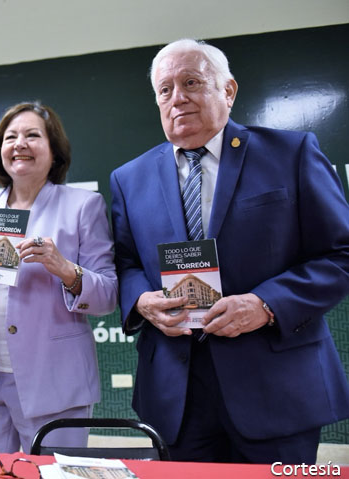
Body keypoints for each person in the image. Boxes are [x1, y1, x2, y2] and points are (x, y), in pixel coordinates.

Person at [109, 39, 349, 463]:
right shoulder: (130, 178)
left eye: (191, 82)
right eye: (165, 89)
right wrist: (142, 300)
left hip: (276, 388)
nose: (177, 97)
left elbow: (341, 254)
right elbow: (126, 264)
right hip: (175, 395)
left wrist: (265, 304)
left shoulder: (291, 154)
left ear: (228, 90)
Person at [0, 102, 117, 453]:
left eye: (32, 135)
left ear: (54, 150)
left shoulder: (83, 205)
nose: (19, 144)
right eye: (10, 137)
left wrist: (65, 269)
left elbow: (109, 293)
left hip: (54, 383)